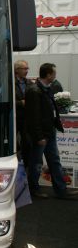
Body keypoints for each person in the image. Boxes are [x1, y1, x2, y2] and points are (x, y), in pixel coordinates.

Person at [25, 63, 78, 199]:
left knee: (54, 161)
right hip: (41, 135)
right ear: (48, 74)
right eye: (54, 73)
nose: (55, 75)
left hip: (49, 132)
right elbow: (33, 117)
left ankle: (61, 190)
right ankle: (33, 190)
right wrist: (39, 136)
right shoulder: (34, 91)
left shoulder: (46, 89)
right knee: (36, 163)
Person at [14, 60, 32, 168]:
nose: (27, 71)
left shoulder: (29, 83)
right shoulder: (9, 83)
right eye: (24, 69)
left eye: (27, 68)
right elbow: (8, 101)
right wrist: (21, 102)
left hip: (26, 118)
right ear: (17, 70)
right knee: (14, 143)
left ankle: (26, 166)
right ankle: (16, 162)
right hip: (15, 117)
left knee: (27, 142)